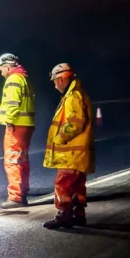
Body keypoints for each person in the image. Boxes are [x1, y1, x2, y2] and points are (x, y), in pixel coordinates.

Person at [42, 63, 95, 229]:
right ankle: (78, 214)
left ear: (61, 79)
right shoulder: (78, 94)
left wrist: (60, 138)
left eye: (54, 81)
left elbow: (75, 123)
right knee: (77, 185)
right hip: (78, 153)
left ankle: (63, 214)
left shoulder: (73, 96)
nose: (54, 85)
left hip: (71, 153)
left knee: (63, 183)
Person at [0, 53, 36, 208]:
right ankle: (23, 193)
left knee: (12, 160)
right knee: (22, 160)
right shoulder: (24, 78)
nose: (1, 72)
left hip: (16, 125)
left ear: (7, 67)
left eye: (1, 68)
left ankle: (15, 197)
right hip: (26, 125)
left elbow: (13, 103)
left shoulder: (13, 79)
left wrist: (9, 121)